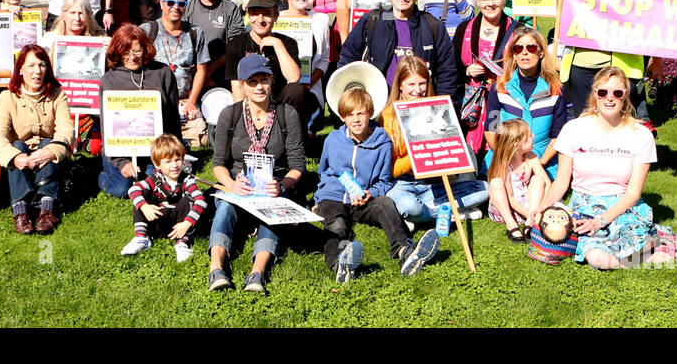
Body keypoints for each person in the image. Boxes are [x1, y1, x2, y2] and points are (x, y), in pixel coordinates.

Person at [534, 67, 677, 270]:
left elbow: (633, 193)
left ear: (625, 97)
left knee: (616, 250)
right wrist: (543, 209)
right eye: (603, 92)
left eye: (617, 93)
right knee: (598, 259)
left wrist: (600, 222)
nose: (609, 98)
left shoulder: (641, 135)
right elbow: (562, 181)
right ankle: (662, 255)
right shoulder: (573, 129)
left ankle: (658, 248)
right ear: (595, 95)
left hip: (623, 207)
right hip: (584, 207)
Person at [313, 86, 440, 282]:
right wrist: (318, 199)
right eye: (350, 115)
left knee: (386, 204)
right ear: (342, 118)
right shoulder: (332, 139)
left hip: (363, 200)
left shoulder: (382, 142)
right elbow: (323, 172)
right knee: (337, 225)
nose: (355, 120)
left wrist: (370, 193)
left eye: (361, 113)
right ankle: (340, 262)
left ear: (370, 113)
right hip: (334, 197)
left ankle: (405, 252)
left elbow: (384, 180)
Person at [207, 56, 306, 293]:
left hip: (274, 183)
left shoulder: (287, 114)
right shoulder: (229, 115)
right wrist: (231, 184)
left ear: (271, 81)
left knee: (272, 213)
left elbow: (298, 165)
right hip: (239, 182)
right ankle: (216, 268)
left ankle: (257, 273)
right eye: (252, 82)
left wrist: (281, 185)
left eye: (264, 80)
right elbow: (218, 164)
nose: (259, 87)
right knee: (225, 207)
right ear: (242, 85)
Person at [381, 56, 489, 225]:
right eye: (411, 84)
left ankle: (421, 215)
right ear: (400, 85)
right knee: (410, 206)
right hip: (401, 185)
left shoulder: (437, 109)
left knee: (483, 189)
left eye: (422, 83)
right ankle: (450, 214)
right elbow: (389, 170)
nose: (418, 90)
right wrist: (419, 154)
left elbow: (448, 164)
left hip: (431, 185)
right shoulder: (387, 117)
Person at [554, 0, 651, 116]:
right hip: (581, 67)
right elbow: (563, 21)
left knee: (618, 119)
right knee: (585, 118)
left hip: (618, 67)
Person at [0, 44, 74, 235]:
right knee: (16, 145)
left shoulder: (57, 95)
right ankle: (20, 211)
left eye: (42, 65)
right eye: (31, 66)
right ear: (20, 69)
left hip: (48, 161)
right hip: (22, 161)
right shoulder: (7, 97)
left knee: (47, 142)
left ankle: (47, 209)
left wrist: (51, 151)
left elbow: (66, 129)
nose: (37, 71)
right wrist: (15, 157)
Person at [340, 0, 459, 98]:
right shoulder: (373, 20)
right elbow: (348, 58)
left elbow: (447, 70)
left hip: (418, 101)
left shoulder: (432, 25)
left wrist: (441, 105)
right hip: (379, 101)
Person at [97, 24, 182, 198]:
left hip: (155, 150)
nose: (132, 57)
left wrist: (175, 155)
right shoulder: (109, 80)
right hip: (120, 151)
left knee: (156, 187)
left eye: (137, 51)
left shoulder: (162, 73)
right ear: (118, 52)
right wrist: (122, 164)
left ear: (146, 49)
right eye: (126, 52)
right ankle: (99, 175)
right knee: (122, 190)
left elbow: (173, 118)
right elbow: (108, 129)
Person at [484, 26, 570, 178]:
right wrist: (509, 160)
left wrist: (537, 164)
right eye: (518, 48)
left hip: (543, 161)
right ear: (513, 55)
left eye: (531, 47)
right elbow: (491, 130)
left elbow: (558, 137)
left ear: (541, 52)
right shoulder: (499, 87)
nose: (524, 52)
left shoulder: (556, 89)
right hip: (504, 159)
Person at [452, 0, 517, 161]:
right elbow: (453, 65)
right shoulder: (464, 28)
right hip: (471, 104)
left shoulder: (518, 29)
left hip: (504, 101)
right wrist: (467, 71)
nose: (490, 3)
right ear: (477, 1)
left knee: (500, 151)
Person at [120, 133, 208, 262]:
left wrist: (187, 223)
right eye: (168, 161)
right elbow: (133, 189)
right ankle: (141, 238)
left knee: (189, 200)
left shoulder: (187, 179)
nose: (174, 165)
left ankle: (182, 243)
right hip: (158, 221)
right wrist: (144, 207)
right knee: (142, 194)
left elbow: (201, 201)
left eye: (178, 159)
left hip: (180, 226)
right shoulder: (155, 178)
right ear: (157, 164)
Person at [140, 0, 210, 123]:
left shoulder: (195, 32)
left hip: (185, 102)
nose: (176, 8)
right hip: (153, 101)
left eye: (181, 3)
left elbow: (201, 70)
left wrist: (191, 101)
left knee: (200, 136)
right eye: (170, 3)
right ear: (161, 3)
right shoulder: (146, 31)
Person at [275, 0, 331, 131]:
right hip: (283, 89)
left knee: (298, 91)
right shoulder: (277, 20)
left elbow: (325, 59)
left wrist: (310, 82)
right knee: (293, 90)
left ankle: (306, 132)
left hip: (311, 91)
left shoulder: (320, 20)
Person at [224, 0, 301, 103]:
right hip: (250, 104)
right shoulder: (236, 44)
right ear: (249, 16)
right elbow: (237, 86)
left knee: (296, 90)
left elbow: (294, 78)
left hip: (279, 104)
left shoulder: (287, 42)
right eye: (255, 14)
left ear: (276, 16)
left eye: (266, 14)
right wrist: (242, 115)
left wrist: (278, 45)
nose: (261, 20)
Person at [487, 118, 549, 242]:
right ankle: (512, 225)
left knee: (538, 179)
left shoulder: (531, 157)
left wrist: (541, 209)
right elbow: (509, 198)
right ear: (517, 143)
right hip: (507, 205)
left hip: (527, 202)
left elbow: (547, 183)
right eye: (529, 135)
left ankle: (531, 222)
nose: (534, 135)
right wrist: (527, 214)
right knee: (496, 183)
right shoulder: (503, 163)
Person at [186, 0, 244, 93]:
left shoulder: (230, 8)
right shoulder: (188, 8)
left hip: (221, 67)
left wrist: (211, 68)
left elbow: (236, 44)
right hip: (192, 69)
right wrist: (200, 72)